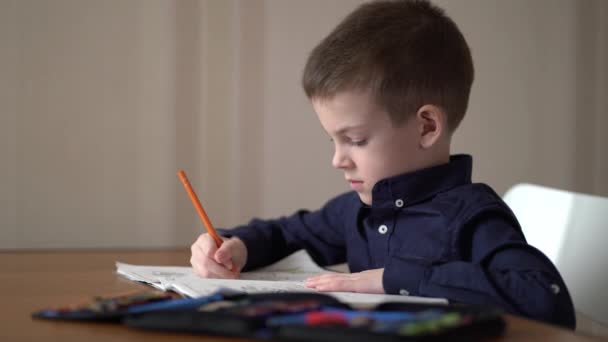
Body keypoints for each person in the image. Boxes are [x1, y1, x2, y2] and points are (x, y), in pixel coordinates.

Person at [189, 0, 575, 329]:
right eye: (333, 140)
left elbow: (548, 299)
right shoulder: (356, 211)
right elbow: (285, 234)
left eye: (355, 140)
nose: (338, 160)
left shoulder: (473, 217)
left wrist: (396, 279)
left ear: (426, 126)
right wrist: (232, 246)